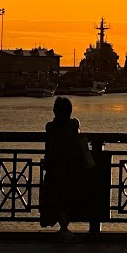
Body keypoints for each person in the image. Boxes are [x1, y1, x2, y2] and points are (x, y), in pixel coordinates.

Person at [40, 97, 89, 241]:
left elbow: (49, 147)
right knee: (68, 197)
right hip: (72, 166)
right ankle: (65, 229)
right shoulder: (74, 124)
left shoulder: (50, 127)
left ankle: (63, 229)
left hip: (55, 167)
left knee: (57, 197)